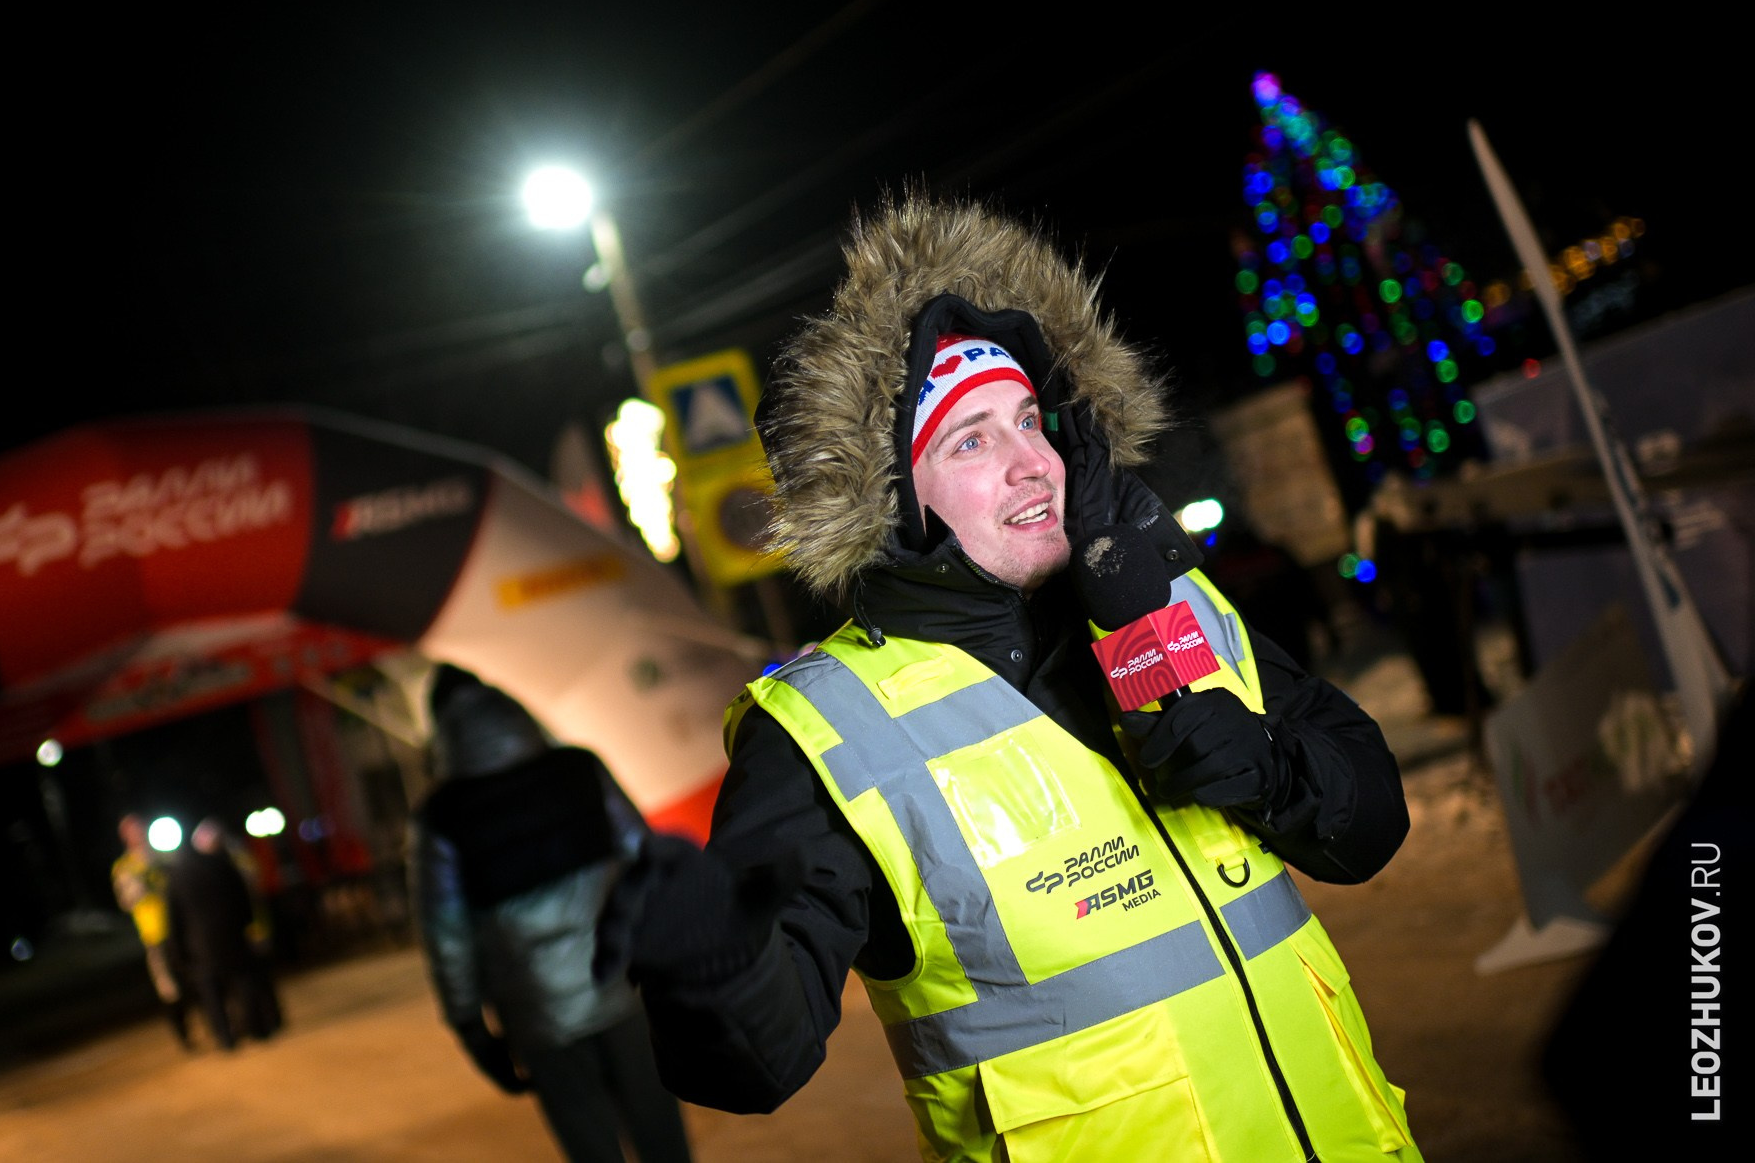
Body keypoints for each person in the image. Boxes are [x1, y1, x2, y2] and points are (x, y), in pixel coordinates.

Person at [598, 193, 1422, 1161]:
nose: (1031, 463)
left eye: (1030, 419)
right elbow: (755, 1066)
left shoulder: (1171, 603)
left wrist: (1272, 770)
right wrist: (713, 962)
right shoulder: (825, 730)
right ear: (891, 498)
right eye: (971, 439)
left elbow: (1370, 827)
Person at [412, 664, 692, 1163]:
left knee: (590, 1145)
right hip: (623, 987)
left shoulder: (441, 817)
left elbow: (447, 934)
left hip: (536, 1014)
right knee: (661, 1134)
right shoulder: (578, 768)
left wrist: (471, 1027)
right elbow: (644, 858)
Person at [166, 817, 281, 1051]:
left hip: (199, 945)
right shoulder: (223, 864)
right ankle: (255, 1027)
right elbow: (243, 898)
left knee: (212, 994)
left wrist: (177, 951)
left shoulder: (177, 875)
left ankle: (226, 1039)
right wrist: (247, 926)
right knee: (243, 981)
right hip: (232, 936)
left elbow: (174, 916)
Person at [110, 813, 190, 1049]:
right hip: (154, 935)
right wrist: (142, 882)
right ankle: (183, 1035)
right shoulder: (124, 867)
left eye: (139, 827)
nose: (137, 832)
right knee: (169, 988)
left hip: (181, 926)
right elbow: (125, 901)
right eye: (131, 829)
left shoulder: (164, 854)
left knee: (197, 975)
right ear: (123, 836)